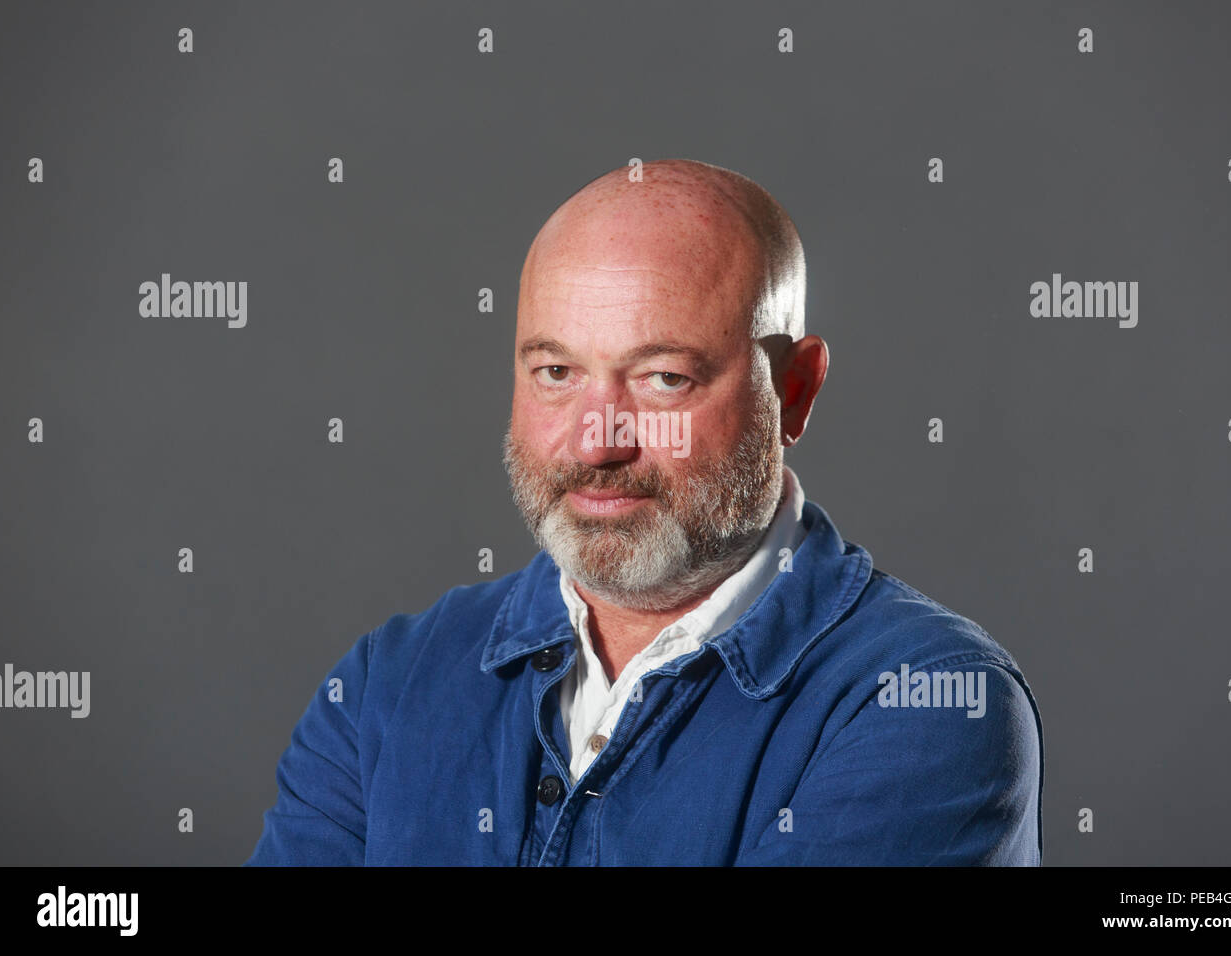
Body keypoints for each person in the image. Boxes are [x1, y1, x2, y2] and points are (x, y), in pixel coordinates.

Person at [245, 158, 1043, 865]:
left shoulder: (926, 701)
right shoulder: (389, 684)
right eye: (557, 372)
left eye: (664, 379)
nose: (597, 443)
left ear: (793, 392)